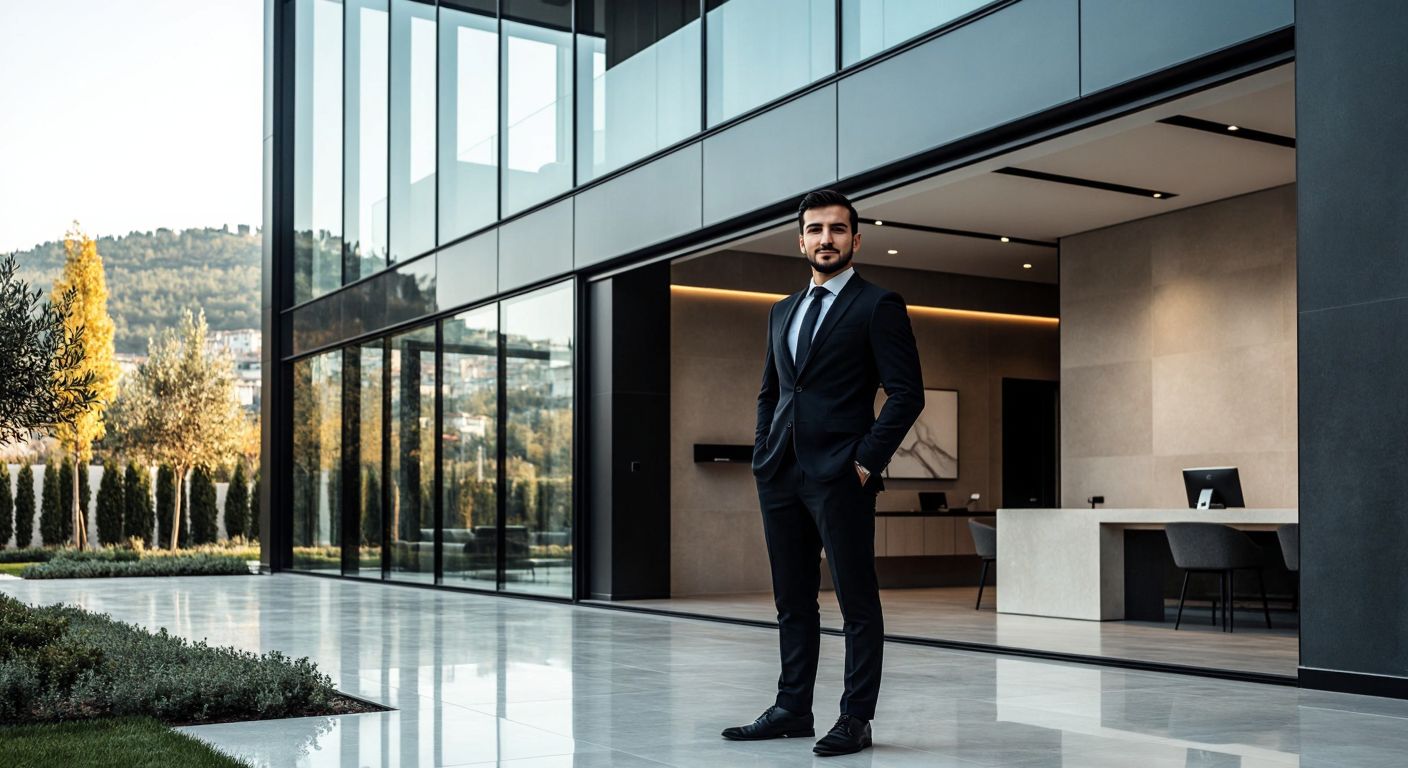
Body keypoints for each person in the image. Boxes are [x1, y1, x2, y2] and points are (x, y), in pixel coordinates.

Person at [721, 189, 924, 757]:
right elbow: (772, 392)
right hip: (780, 473)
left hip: (841, 475)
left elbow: (908, 395)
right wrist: (764, 451)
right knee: (792, 600)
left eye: (837, 229)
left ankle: (855, 718)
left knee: (857, 602)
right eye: (815, 229)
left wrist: (863, 462)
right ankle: (792, 708)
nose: (825, 239)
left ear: (856, 239)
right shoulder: (781, 310)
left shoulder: (879, 304)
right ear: (801, 240)